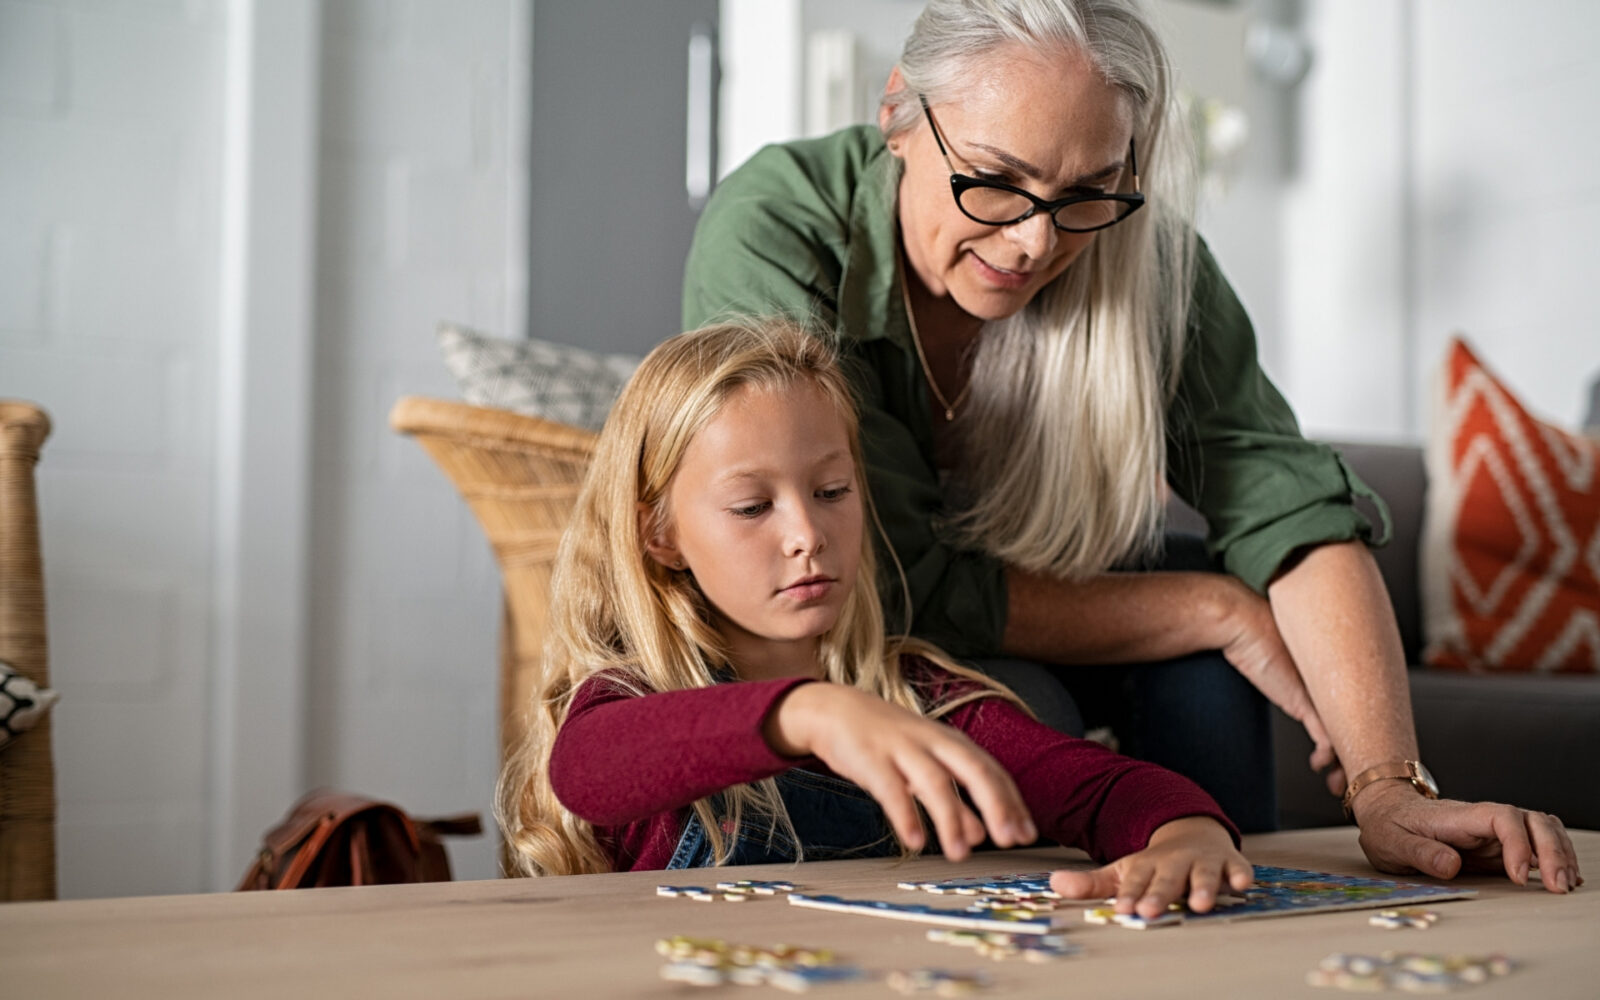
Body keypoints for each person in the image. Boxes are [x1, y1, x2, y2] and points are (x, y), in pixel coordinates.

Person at [682, 0, 1581, 890]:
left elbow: (1287, 504)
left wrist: (1389, 789)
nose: (1034, 243)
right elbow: (874, 576)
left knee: (1198, 669)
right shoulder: (775, 225)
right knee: (1035, 698)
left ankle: (1236, 911)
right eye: (994, 180)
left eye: (1084, 194)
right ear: (897, 114)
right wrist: (1215, 608)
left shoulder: (1146, 258)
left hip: (1024, 588)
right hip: (851, 639)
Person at [497, 319, 1254, 919]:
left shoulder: (923, 696)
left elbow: (1094, 788)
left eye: (831, 491)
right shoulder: (629, 701)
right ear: (660, 534)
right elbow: (586, 770)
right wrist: (808, 713)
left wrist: (1186, 833)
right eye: (753, 506)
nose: (806, 534)